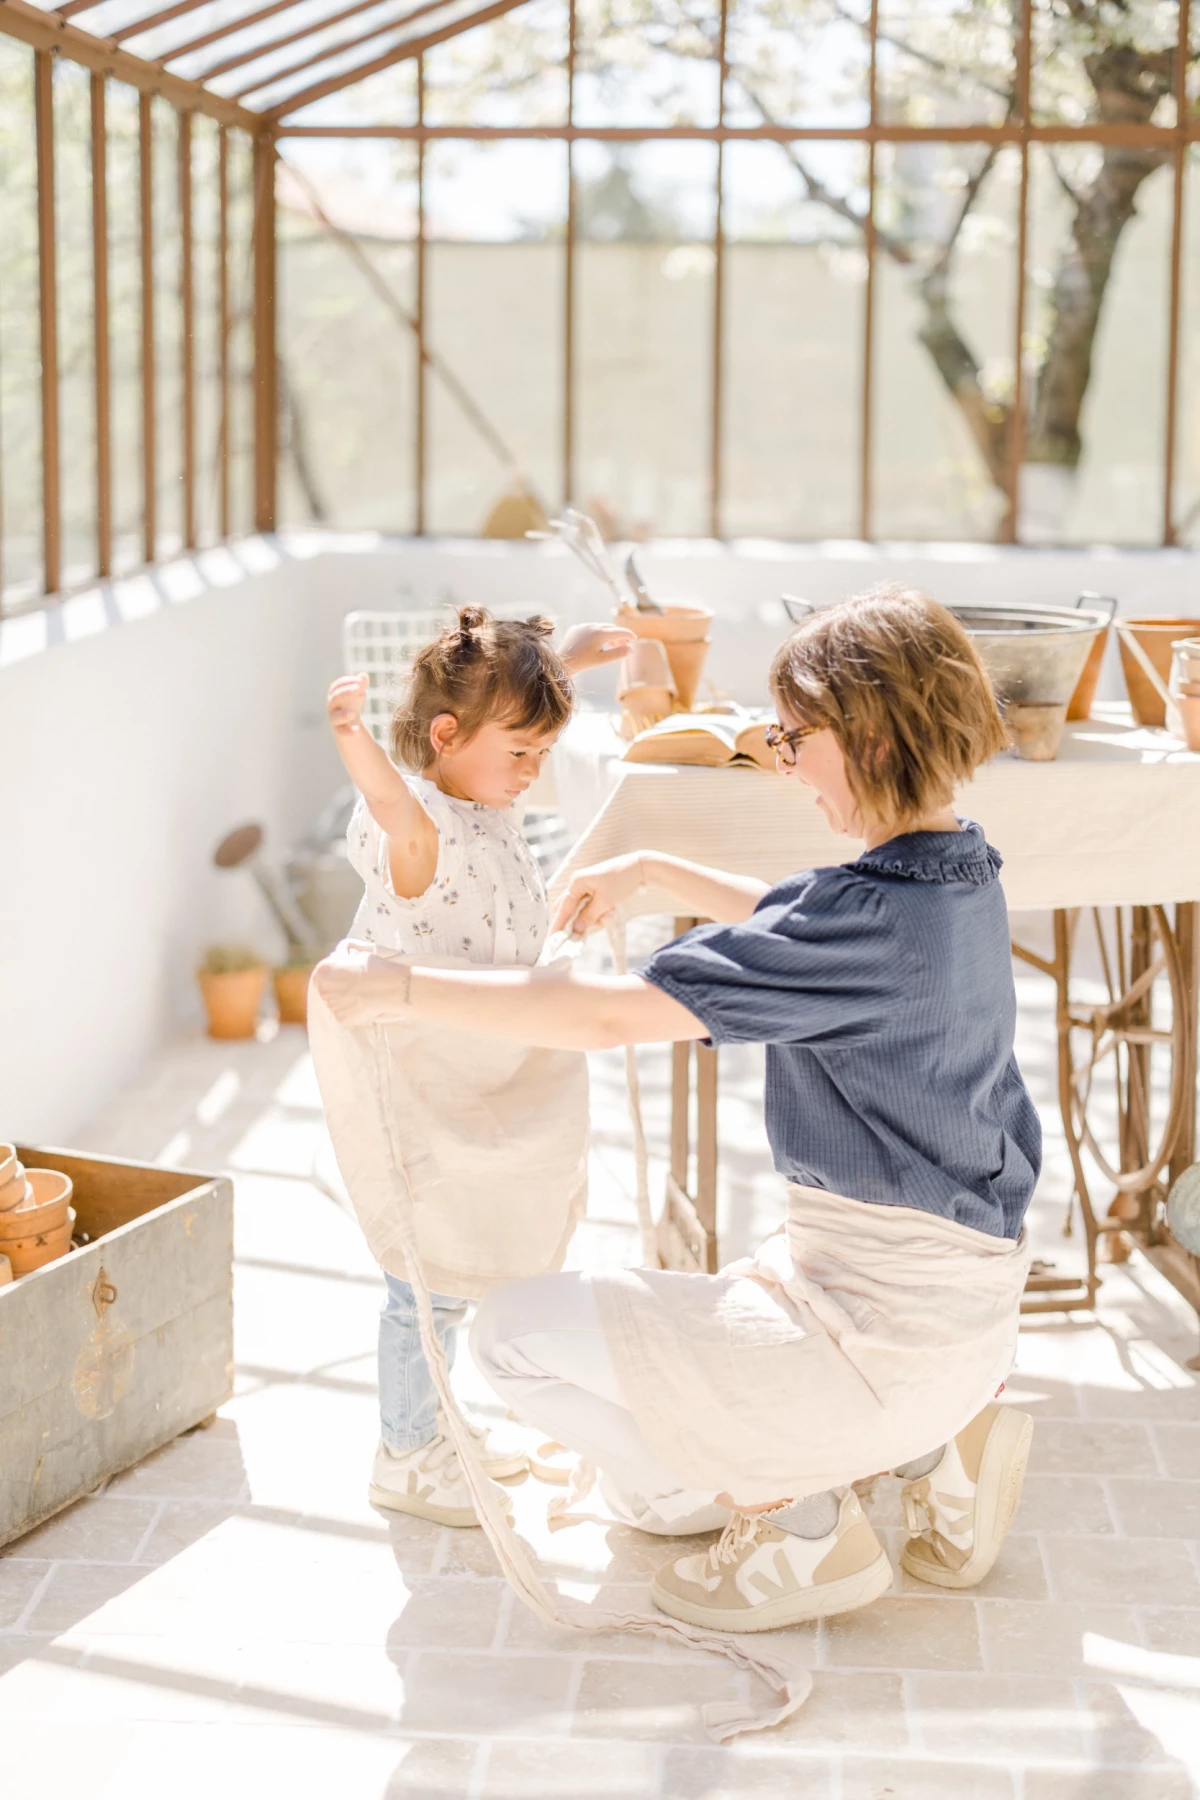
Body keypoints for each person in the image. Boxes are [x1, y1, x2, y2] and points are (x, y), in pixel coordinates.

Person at [316, 585, 1042, 1633]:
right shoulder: (960, 870)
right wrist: (656, 867)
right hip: (964, 1327)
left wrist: (401, 990)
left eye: (797, 740)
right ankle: (933, 1452)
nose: (784, 764)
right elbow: (816, 921)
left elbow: (608, 1018)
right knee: (642, 1502)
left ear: (870, 734)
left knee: (510, 1339)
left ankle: (802, 1530)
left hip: (877, 1337)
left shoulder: (861, 922)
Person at [326, 603, 634, 1527]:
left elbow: (498, 734)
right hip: (424, 1072)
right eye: (522, 752)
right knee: (426, 1277)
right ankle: (406, 1450)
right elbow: (393, 805)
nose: (533, 772)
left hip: (478, 1062)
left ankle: (438, 1425)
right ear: (447, 736)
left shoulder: (483, 799)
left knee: (465, 1268)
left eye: (543, 752)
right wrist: (353, 738)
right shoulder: (421, 829)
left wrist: (566, 658)